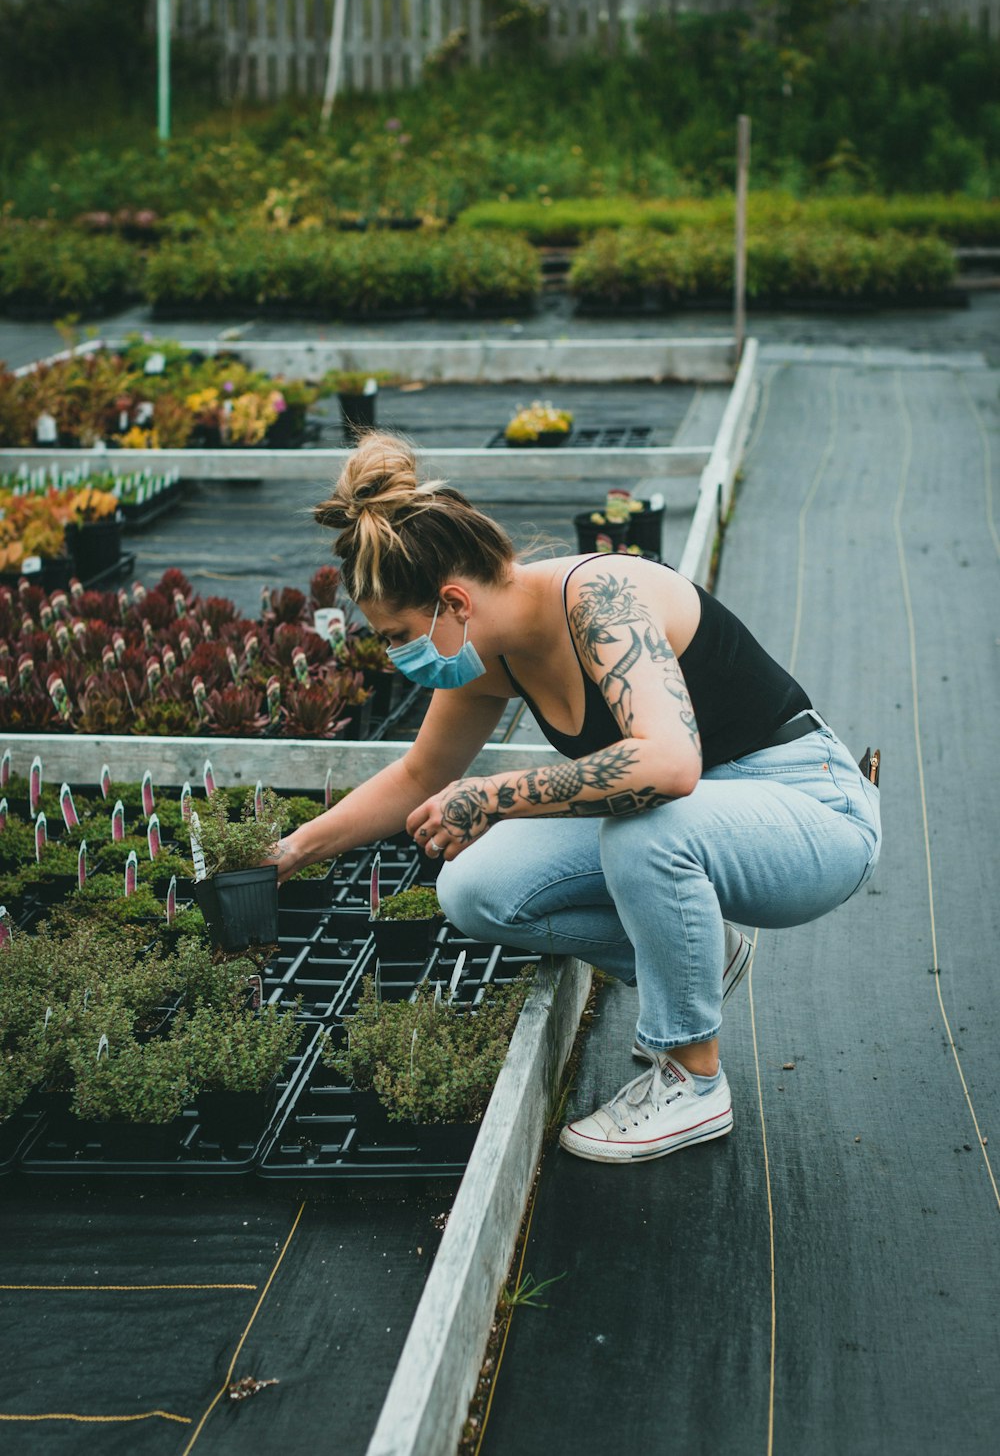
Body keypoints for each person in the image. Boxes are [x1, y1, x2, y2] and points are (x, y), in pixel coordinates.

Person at [274, 433, 882, 1165]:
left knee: (645, 832)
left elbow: (669, 765)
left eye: (399, 635)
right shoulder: (480, 659)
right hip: (694, 820)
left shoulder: (602, 598)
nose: (394, 656)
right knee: (474, 888)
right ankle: (697, 955)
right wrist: (289, 852)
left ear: (454, 602)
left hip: (809, 809)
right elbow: (417, 776)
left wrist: (498, 794)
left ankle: (692, 1082)